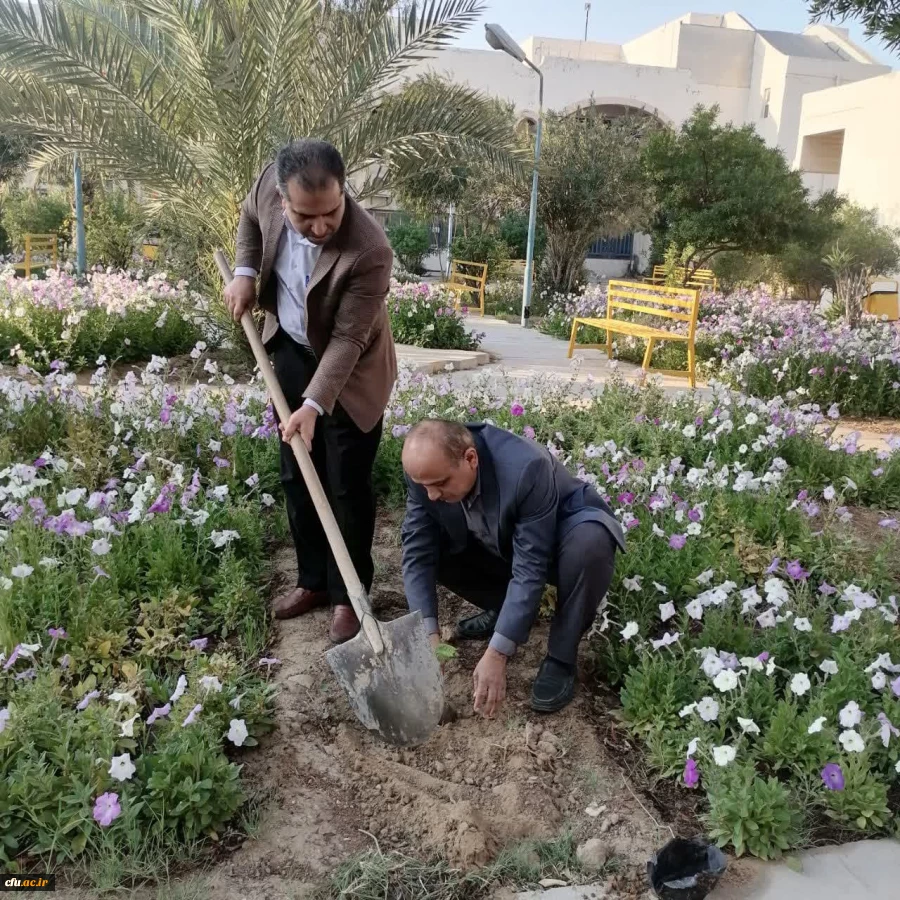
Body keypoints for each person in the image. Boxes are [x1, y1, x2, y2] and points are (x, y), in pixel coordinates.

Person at [225, 139, 397, 644]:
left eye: (332, 212)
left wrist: (315, 405)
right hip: (293, 351)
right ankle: (313, 582)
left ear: (344, 193)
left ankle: (350, 596)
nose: (322, 227)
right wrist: (244, 273)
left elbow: (348, 339)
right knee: (297, 475)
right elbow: (249, 222)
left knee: (345, 484)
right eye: (307, 217)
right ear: (284, 199)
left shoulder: (370, 248)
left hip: (353, 370)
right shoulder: (265, 188)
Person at [401, 419, 625, 718]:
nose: (431, 495)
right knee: (433, 548)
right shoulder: (426, 474)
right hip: (499, 537)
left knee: (590, 545)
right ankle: (502, 609)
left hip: (561, 535)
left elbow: (530, 567)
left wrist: (497, 654)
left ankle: (561, 657)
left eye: (440, 484)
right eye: (423, 486)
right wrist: (427, 635)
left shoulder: (525, 468)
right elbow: (417, 553)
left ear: (471, 459)